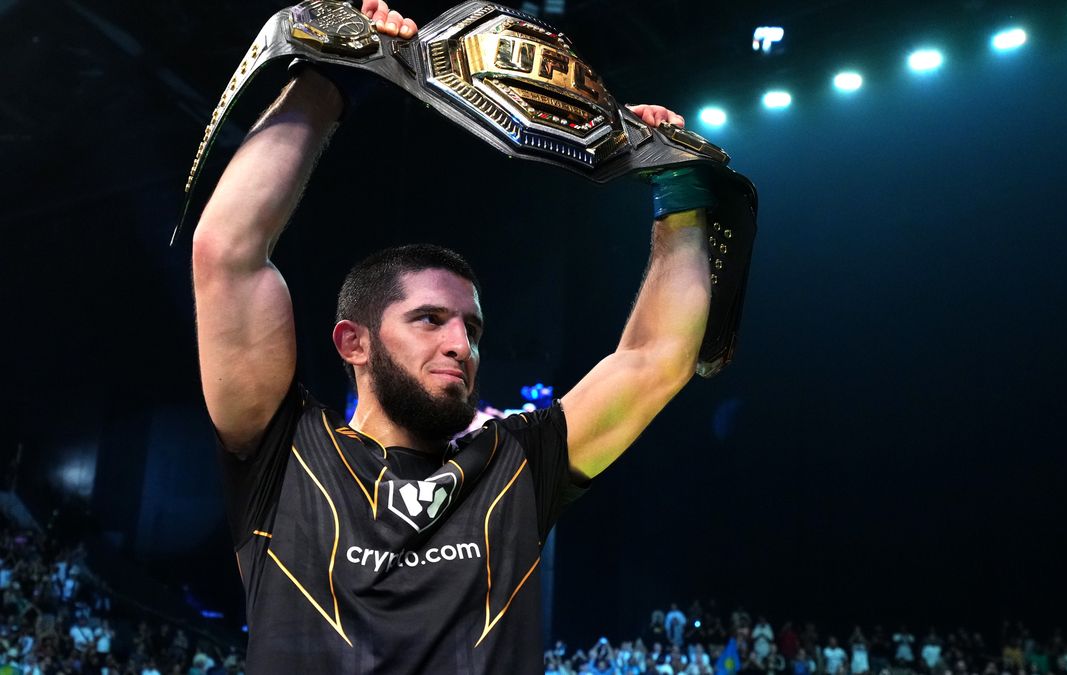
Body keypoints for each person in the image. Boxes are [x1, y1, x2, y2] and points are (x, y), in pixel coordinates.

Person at [190, 0, 715, 672]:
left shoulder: (514, 465)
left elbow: (655, 359)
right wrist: (337, 75)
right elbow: (225, 251)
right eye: (429, 320)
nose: (460, 344)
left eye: (471, 327)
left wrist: (680, 192)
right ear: (353, 342)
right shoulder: (283, 453)